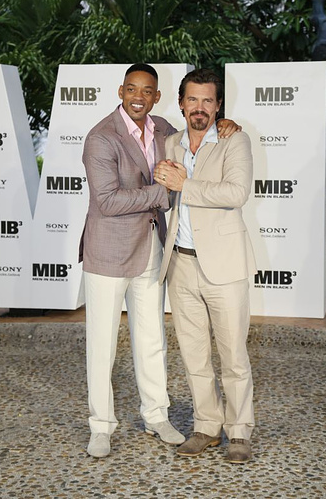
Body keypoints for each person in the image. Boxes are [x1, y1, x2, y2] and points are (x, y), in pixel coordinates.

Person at [79, 63, 240, 458]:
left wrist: (225, 123)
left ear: (156, 97)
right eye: (131, 89)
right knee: (102, 344)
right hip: (108, 253)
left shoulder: (165, 130)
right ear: (121, 92)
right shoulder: (101, 137)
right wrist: (160, 193)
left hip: (152, 247)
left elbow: (197, 134)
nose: (138, 97)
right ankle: (101, 426)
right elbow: (108, 201)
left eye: (146, 91)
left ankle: (156, 415)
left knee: (151, 340)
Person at [154, 68, 256, 463]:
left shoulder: (235, 140)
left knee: (233, 355)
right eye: (192, 100)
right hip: (180, 265)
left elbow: (236, 192)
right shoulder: (169, 142)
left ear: (218, 106)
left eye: (207, 101)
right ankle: (206, 426)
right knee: (194, 356)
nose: (199, 108)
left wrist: (186, 186)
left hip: (226, 268)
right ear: (181, 103)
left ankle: (240, 432)